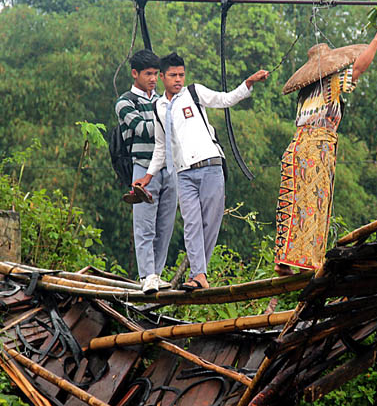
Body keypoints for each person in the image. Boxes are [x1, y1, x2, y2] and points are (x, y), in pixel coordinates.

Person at [136, 52, 269, 291]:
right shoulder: (158, 106)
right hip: (184, 173)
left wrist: (247, 84)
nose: (178, 79)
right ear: (163, 77)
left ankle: (200, 274)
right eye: (173, 75)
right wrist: (148, 175)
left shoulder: (194, 93)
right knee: (192, 224)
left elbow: (225, 99)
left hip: (210, 165)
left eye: (181, 75)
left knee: (210, 222)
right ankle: (198, 274)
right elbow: (160, 146)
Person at [274, 26, 377, 276]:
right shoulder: (331, 83)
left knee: (301, 201)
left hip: (303, 147)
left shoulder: (306, 93)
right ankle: (303, 261)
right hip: (314, 147)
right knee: (312, 203)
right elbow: (359, 68)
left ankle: (291, 260)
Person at [115, 49, 177, 294]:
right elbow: (142, 129)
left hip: (168, 167)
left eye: (155, 74)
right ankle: (146, 275)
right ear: (135, 74)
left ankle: (157, 274)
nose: (153, 78)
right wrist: (169, 121)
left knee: (165, 226)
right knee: (144, 226)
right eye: (148, 74)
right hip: (143, 167)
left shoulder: (161, 100)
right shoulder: (125, 101)